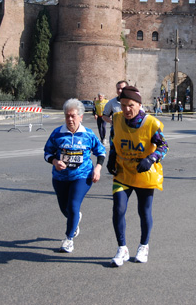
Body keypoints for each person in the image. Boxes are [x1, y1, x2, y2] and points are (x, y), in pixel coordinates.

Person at [106, 86, 168, 266]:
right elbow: (113, 139)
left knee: (144, 211)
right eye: (123, 105)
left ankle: (144, 246)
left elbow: (164, 147)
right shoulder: (117, 119)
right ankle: (122, 248)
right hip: (123, 171)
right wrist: (111, 158)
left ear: (139, 105)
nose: (126, 109)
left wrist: (151, 158)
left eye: (130, 105)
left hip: (144, 173)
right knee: (118, 208)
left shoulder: (151, 123)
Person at [44, 99, 106, 253]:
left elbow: (101, 152)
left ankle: (69, 239)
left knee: (73, 205)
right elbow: (47, 153)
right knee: (65, 208)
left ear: (81, 117)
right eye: (67, 116)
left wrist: (97, 168)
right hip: (60, 178)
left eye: (73, 116)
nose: (70, 119)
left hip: (82, 176)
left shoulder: (88, 134)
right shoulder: (57, 133)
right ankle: (75, 218)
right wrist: (55, 161)